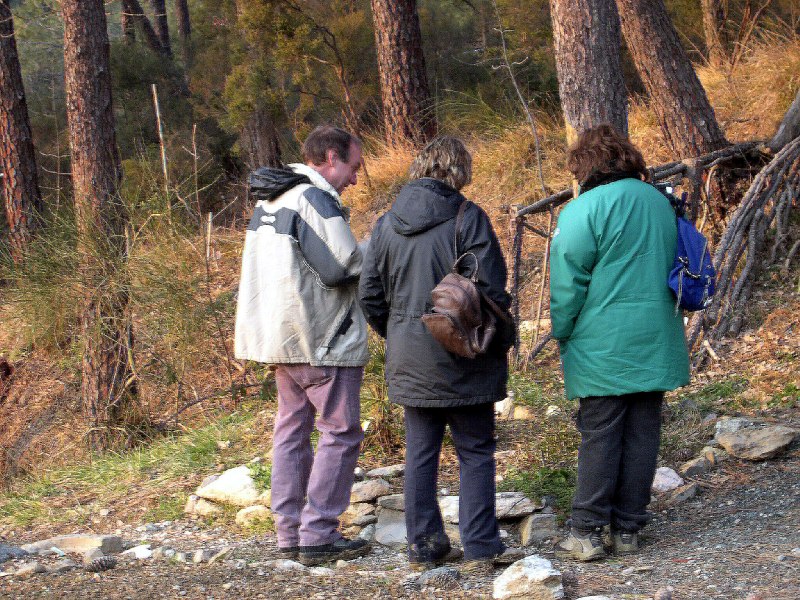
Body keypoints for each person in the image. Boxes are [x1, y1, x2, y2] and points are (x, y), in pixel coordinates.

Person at [359, 136, 522, 570]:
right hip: (464, 355)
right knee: (476, 450)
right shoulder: (468, 218)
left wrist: (399, 334)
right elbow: (489, 291)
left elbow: (371, 296)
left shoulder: (385, 224)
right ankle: (482, 547)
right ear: (458, 171)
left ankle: (423, 547)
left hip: (410, 355)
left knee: (420, 452)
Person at [549, 124, 690, 561]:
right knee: (643, 431)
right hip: (656, 335)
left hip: (602, 341)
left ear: (585, 166)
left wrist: (561, 330)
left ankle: (587, 530)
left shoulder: (582, 210)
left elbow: (568, 283)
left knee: (601, 434)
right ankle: (629, 528)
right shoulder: (661, 203)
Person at [234, 125, 370, 566]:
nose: (354, 178)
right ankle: (318, 535)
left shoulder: (272, 197)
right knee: (341, 431)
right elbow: (344, 264)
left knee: (291, 431)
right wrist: (381, 243)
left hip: (278, 337)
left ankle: (289, 532)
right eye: (353, 167)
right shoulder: (313, 198)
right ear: (331, 157)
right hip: (319, 337)